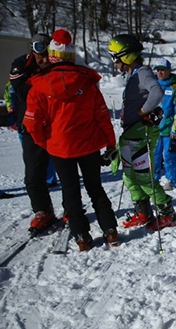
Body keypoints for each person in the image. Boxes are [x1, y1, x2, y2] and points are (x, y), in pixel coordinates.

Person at [24, 29, 119, 251]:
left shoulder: (39, 86)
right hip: (88, 145)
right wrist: (110, 143)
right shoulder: (87, 82)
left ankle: (82, 236)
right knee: (95, 188)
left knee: (70, 190)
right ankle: (110, 231)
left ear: (52, 55)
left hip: (59, 148)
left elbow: (32, 123)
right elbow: (102, 116)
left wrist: (45, 142)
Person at [108, 34, 176, 231]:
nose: (115, 62)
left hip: (141, 133)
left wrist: (143, 111)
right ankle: (142, 211)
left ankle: (166, 213)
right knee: (129, 176)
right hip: (131, 133)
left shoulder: (143, 72)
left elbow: (157, 92)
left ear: (126, 56)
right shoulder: (134, 74)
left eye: (116, 57)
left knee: (144, 177)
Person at [9, 33, 58, 236]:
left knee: (66, 169)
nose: (43, 55)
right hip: (30, 125)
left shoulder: (57, 63)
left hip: (56, 124)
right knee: (33, 174)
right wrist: (43, 77)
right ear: (32, 48)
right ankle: (43, 210)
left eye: (47, 50)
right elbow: (22, 91)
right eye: (39, 48)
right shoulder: (20, 64)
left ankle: (72, 209)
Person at [153, 58, 176, 190]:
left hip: (169, 131)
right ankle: (154, 179)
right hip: (154, 130)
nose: (160, 72)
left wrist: (175, 130)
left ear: (168, 70)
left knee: (169, 156)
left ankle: (171, 179)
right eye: (158, 70)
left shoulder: (175, 89)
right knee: (154, 156)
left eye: (163, 69)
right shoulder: (153, 86)